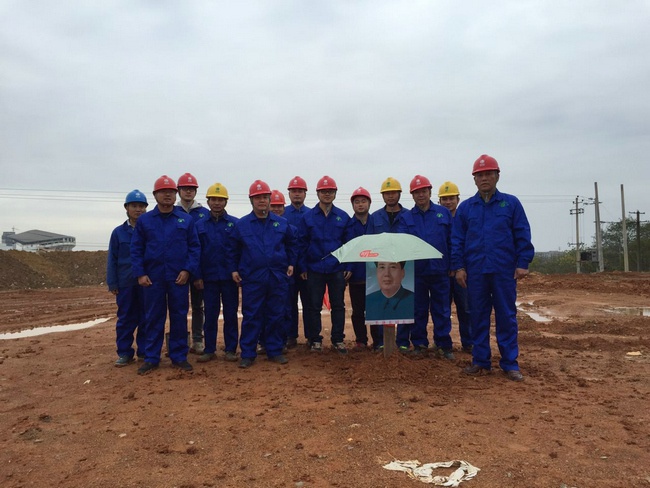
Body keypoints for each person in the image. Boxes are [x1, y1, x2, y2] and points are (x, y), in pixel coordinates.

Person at [452, 155, 534, 381]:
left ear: (497, 176)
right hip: (475, 271)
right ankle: (480, 360)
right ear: (474, 179)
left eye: (488, 174)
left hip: (503, 270)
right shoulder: (466, 208)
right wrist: (458, 267)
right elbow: (457, 239)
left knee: (506, 316)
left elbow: (522, 232)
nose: (484, 178)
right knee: (477, 316)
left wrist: (523, 262)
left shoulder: (511, 204)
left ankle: (510, 363)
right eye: (479, 175)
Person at [131, 175, 200, 374]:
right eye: (163, 192)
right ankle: (152, 357)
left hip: (178, 278)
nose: (167, 195)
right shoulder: (145, 221)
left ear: (175, 194)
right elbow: (136, 249)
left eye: (171, 192)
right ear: (155, 195)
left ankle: (179, 356)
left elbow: (194, 247)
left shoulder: (185, 220)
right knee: (153, 317)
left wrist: (187, 270)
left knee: (179, 316)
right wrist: (140, 273)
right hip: (153, 279)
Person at [227, 180, 298, 368]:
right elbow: (232, 249)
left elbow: (292, 244)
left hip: (277, 276)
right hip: (253, 277)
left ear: (269, 200)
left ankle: (274, 350)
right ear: (251, 200)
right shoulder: (242, 225)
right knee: (252, 315)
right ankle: (248, 353)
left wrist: (291, 263)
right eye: (257, 197)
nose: (262, 201)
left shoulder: (282, 224)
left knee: (276, 314)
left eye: (265, 197)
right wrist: (234, 269)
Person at [397, 175, 454, 359]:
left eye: (423, 191)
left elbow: (452, 241)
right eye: (417, 192)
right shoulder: (406, 218)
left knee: (442, 310)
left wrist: (453, 264)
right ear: (412, 195)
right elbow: (403, 244)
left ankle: (443, 344)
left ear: (430, 192)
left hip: (440, 271)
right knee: (418, 310)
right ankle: (420, 344)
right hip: (417, 272)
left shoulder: (443, 213)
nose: (420, 195)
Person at [297, 176, 351, 354]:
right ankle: (315, 339)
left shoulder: (343, 217)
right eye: (323, 191)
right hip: (315, 268)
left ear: (335, 193)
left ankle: (338, 339)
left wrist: (348, 266)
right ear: (318, 193)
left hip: (336, 269)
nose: (327, 194)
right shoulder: (308, 217)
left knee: (338, 305)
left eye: (330, 191)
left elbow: (349, 244)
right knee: (313, 306)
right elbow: (302, 243)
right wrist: (303, 267)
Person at [193, 183, 240, 363]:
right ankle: (209, 349)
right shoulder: (199, 225)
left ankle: (231, 349)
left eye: (220, 200)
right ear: (208, 201)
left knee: (231, 314)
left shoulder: (235, 224)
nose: (217, 203)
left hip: (229, 278)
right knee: (210, 314)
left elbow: (239, 251)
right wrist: (197, 276)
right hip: (208, 278)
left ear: (226, 202)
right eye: (213, 199)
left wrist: (237, 272)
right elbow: (196, 252)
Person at [107, 189, 149, 367]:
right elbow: (112, 258)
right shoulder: (118, 233)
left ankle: (145, 351)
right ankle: (124, 352)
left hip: (147, 282)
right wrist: (112, 282)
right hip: (126, 283)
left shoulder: (149, 230)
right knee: (125, 318)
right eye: (134, 206)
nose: (138, 209)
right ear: (126, 208)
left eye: (141, 206)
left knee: (146, 317)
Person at [438, 181, 472, 353]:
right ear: (439, 201)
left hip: (462, 272)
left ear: (458, 199)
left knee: (465, 308)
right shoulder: (437, 219)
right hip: (443, 273)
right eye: (444, 199)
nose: (448, 202)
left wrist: (460, 267)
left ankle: (468, 342)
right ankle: (444, 344)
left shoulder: (464, 217)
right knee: (443, 310)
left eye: (451, 198)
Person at [176, 172, 209, 355]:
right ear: (179, 190)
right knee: (178, 307)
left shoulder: (204, 214)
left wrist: (198, 274)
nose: (188, 191)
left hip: (197, 269)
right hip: (177, 270)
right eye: (185, 188)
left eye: (191, 189)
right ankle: (180, 341)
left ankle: (197, 340)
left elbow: (203, 246)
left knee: (198, 306)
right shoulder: (172, 212)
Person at [344, 187, 375, 351]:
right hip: (356, 275)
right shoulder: (348, 225)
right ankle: (361, 340)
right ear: (353, 205)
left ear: (369, 203)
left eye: (363, 201)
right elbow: (346, 249)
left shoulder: (376, 222)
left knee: (375, 310)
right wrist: (348, 268)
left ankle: (378, 341)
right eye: (357, 202)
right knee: (357, 311)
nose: (360, 204)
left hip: (374, 275)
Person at [284, 176, 310, 349]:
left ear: (305, 193)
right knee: (289, 303)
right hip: (288, 268)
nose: (297, 194)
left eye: (300, 191)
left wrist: (306, 265)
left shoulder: (312, 214)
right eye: (294, 191)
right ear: (289, 194)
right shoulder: (283, 214)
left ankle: (310, 336)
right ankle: (290, 335)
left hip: (307, 268)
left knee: (309, 303)